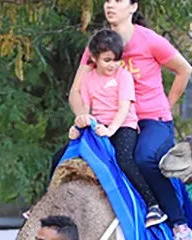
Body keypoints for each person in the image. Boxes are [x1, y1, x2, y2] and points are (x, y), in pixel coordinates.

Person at [70, 0, 192, 240]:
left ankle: (180, 226)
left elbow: (184, 70)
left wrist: (167, 105)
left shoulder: (149, 40)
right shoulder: (99, 45)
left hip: (151, 119)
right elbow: (76, 92)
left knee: (143, 159)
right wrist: (83, 117)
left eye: (118, 0)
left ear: (133, 7)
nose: (110, 5)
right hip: (110, 121)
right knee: (74, 156)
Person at [70, 29, 168, 228]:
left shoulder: (124, 76)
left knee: (124, 160)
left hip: (123, 126)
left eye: (116, 60)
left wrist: (111, 130)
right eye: (107, 60)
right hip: (99, 126)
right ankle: (49, 201)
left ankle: (152, 204)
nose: (112, 65)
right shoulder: (88, 79)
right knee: (67, 156)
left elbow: (124, 108)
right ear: (94, 58)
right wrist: (78, 125)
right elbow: (86, 109)